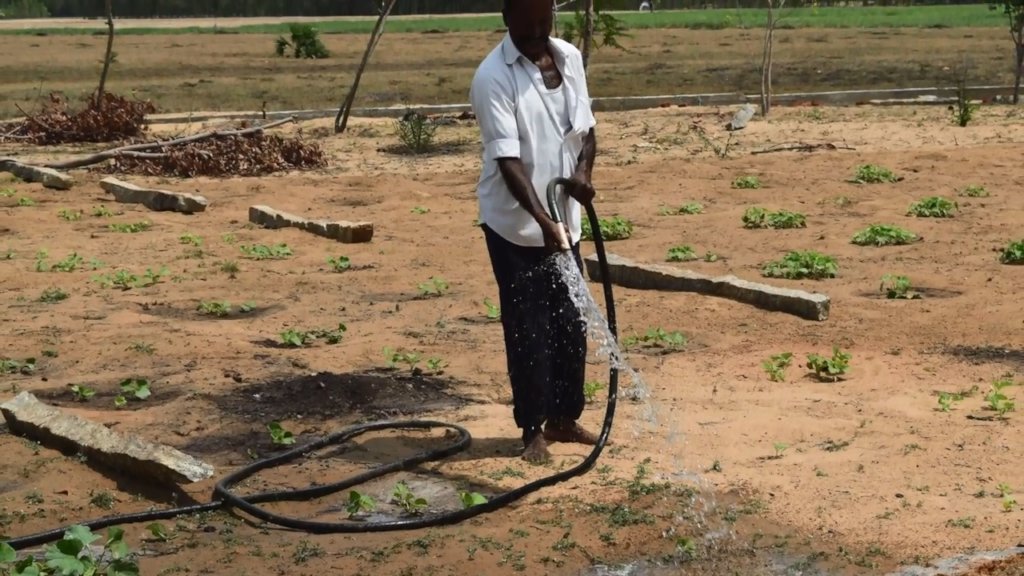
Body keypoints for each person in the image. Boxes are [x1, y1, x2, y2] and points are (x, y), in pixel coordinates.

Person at [469, 0, 600, 464]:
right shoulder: (493, 77)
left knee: (571, 321)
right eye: (527, 30)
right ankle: (531, 429)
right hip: (516, 225)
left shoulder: (569, 57)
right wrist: (541, 221)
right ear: (506, 19)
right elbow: (508, 161)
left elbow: (586, 131)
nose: (537, 37)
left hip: (563, 220)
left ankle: (564, 417)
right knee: (528, 327)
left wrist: (583, 172)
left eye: (544, 25)